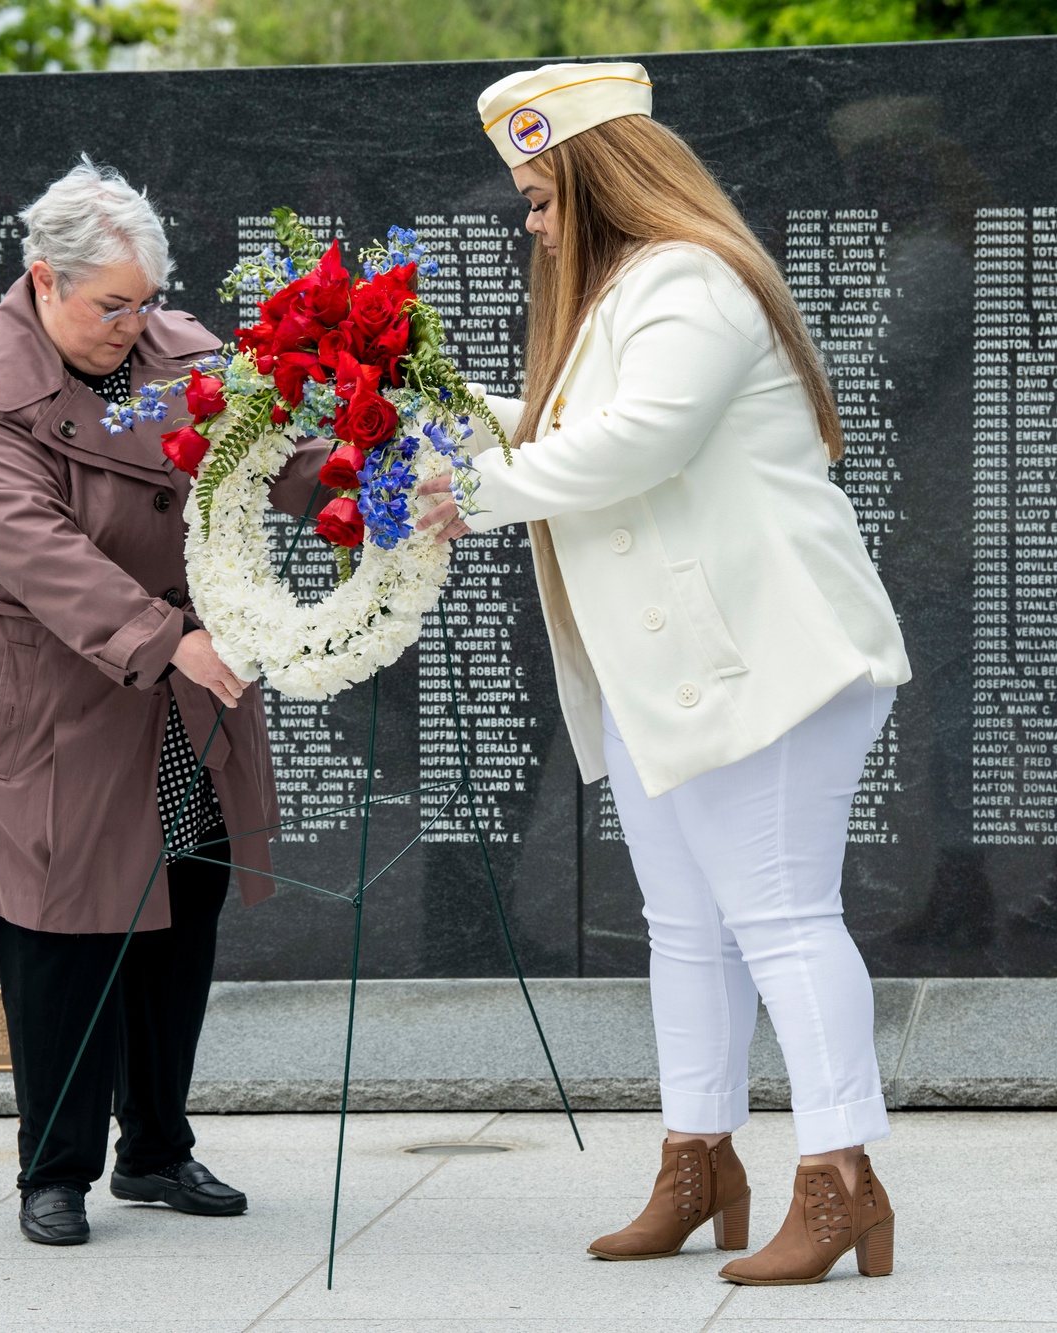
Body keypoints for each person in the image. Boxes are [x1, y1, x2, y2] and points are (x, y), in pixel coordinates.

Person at [419, 63, 912, 1286]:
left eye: (540, 198)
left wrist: (461, 492)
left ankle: (842, 1176)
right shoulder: (629, 293)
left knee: (784, 920)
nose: (531, 223)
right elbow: (549, 421)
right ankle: (700, 1163)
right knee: (686, 930)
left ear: (597, 183)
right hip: (675, 665)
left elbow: (640, 439)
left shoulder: (687, 278)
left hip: (768, 659)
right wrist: (399, 412)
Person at [0, 158, 322, 1246]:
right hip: (46, 693)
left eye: (145, 300)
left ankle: (156, 1146)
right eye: (111, 305)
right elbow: (37, 553)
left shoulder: (179, 351)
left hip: (176, 697)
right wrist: (168, 639)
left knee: (181, 907)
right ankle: (52, 1168)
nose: (131, 325)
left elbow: (266, 454)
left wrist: (362, 480)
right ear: (44, 283)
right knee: (60, 928)